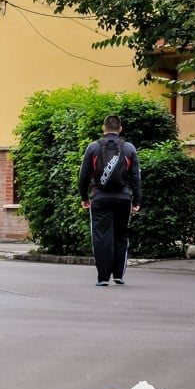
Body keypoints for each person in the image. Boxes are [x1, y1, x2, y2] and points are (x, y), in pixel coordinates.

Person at [78, 114, 141, 286]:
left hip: (100, 198)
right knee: (121, 235)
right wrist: (136, 201)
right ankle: (119, 275)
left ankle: (103, 277)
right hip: (123, 198)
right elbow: (136, 177)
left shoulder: (93, 147)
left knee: (101, 236)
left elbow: (83, 176)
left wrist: (84, 198)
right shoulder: (129, 148)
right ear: (120, 129)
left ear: (103, 128)